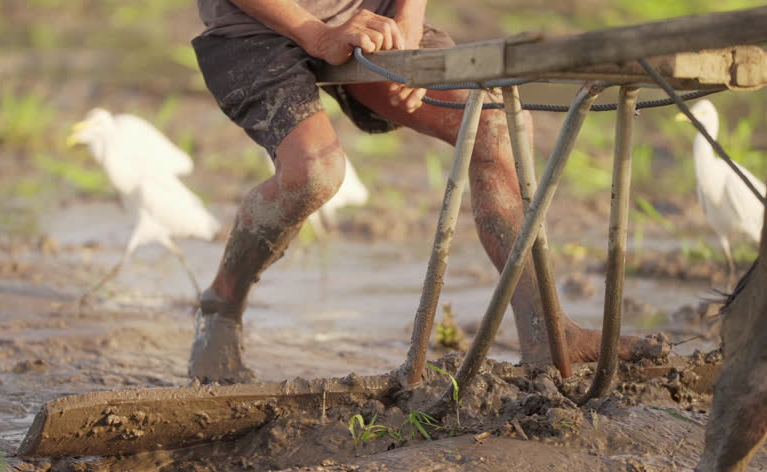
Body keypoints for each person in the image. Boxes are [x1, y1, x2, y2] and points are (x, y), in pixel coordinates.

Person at [188, 0, 668, 383]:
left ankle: (546, 330)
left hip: (371, 17)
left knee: (492, 125)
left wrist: (408, 27)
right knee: (315, 172)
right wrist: (318, 34)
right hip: (253, 26)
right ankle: (222, 302)